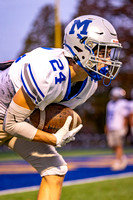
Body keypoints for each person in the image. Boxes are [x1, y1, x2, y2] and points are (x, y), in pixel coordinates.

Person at [0, 15, 122, 200]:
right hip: (6, 115)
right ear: (81, 49)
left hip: (18, 117)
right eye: (101, 52)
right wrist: (52, 138)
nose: (106, 59)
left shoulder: (89, 85)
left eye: (108, 53)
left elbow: (39, 114)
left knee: (55, 169)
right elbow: (10, 125)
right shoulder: (46, 72)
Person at [105, 87, 129, 171]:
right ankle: (122, 157)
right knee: (112, 145)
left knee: (118, 145)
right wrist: (106, 126)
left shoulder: (123, 103)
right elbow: (108, 117)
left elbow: (126, 116)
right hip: (111, 126)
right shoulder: (110, 104)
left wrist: (124, 126)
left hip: (119, 127)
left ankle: (118, 161)